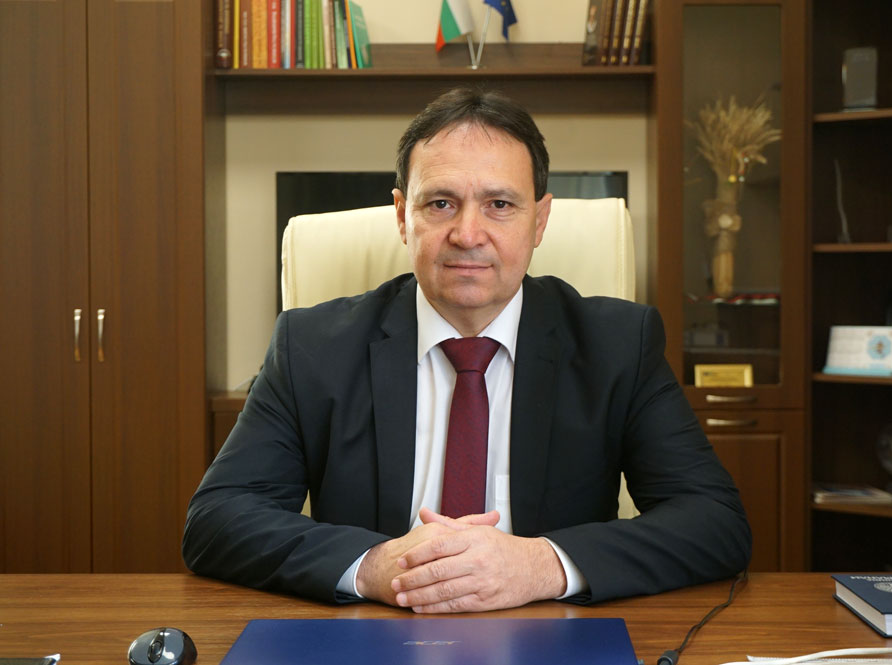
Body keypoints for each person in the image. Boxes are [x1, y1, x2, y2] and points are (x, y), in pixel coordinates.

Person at [183, 87, 751, 614]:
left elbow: (715, 522)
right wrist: (375, 567)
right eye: (441, 203)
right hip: (373, 627)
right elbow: (217, 521)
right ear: (402, 216)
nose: (468, 234)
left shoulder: (618, 344)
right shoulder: (311, 346)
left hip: (550, 631)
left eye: (499, 204)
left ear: (539, 221)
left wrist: (541, 566)